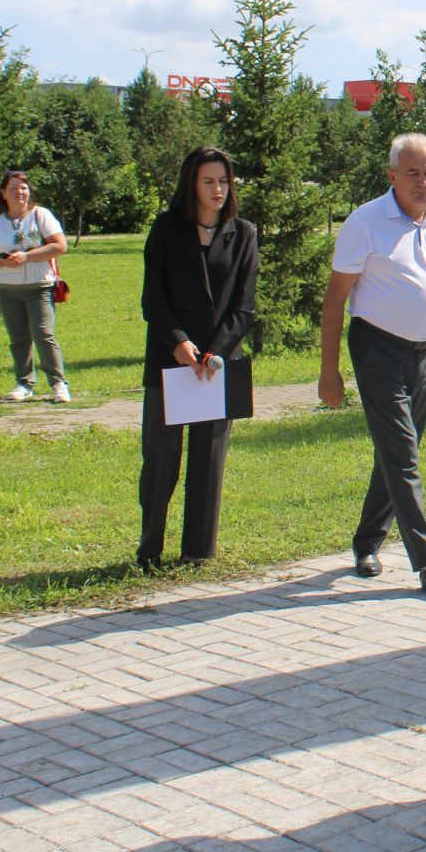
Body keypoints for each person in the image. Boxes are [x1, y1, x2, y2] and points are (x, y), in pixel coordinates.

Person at [319, 133, 426, 593]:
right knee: (403, 455)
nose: (423, 182)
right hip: (377, 349)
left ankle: (367, 542)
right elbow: (334, 301)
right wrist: (330, 371)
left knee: (398, 453)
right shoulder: (366, 222)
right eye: (413, 173)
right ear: (391, 176)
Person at [137, 146, 258, 569]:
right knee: (160, 459)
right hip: (170, 363)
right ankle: (150, 547)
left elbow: (244, 307)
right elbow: (153, 300)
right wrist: (178, 343)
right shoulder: (166, 229)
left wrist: (215, 352)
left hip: (217, 366)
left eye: (224, 180)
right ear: (191, 184)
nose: (218, 189)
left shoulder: (243, 233)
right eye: (208, 181)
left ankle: (198, 551)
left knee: (209, 458)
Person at [0, 171, 71, 403]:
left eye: (23, 188)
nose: (20, 192)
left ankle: (58, 384)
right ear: (3, 193)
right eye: (14, 188)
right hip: (7, 288)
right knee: (18, 338)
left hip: (39, 286)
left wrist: (27, 257)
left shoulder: (41, 215)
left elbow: (60, 246)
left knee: (43, 333)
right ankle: (24, 383)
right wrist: (2, 262)